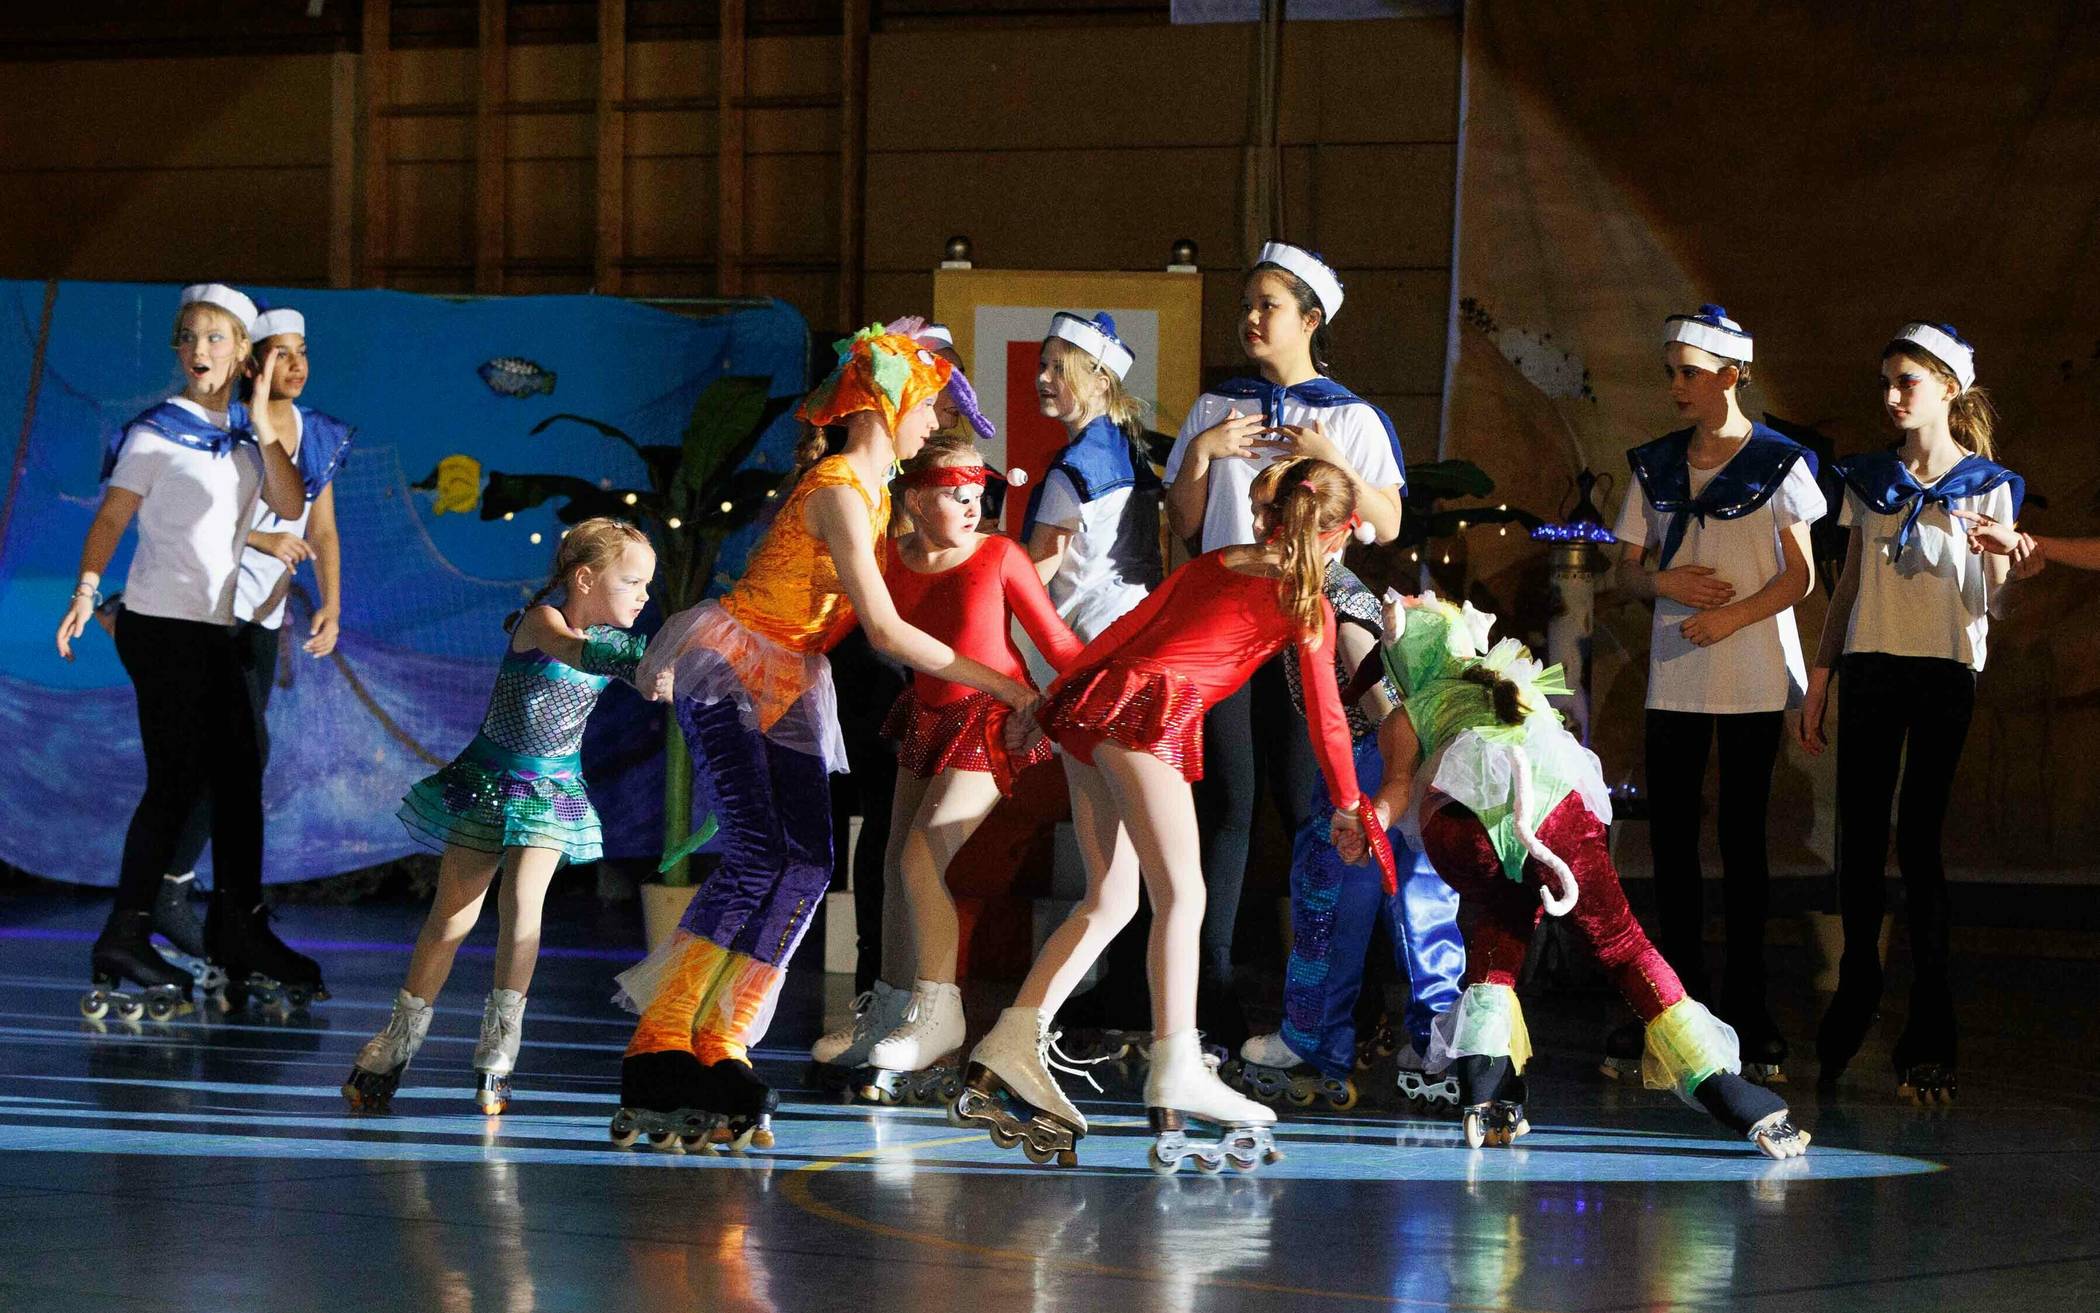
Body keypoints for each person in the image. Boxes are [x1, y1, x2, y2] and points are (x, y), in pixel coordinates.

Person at [610, 325, 1035, 1151]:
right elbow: (884, 628)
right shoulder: (840, 488)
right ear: (886, 404)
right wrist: (1007, 685)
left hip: (793, 677)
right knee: (758, 854)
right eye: (927, 407)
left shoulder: (876, 496)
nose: (932, 424)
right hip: (736, 665)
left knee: (806, 862)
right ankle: (661, 1042)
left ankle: (722, 1036)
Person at [951, 458, 1396, 1173]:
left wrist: (1053, 699)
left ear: (1272, 515)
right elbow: (1328, 721)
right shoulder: (1307, 601)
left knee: (1111, 898)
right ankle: (1176, 1063)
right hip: (1150, 713)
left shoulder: (1218, 561)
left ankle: (1008, 1043)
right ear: (1340, 532)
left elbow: (1127, 628)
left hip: (1093, 704)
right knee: (1183, 896)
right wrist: (1350, 803)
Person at [1353, 593, 1810, 1158]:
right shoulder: (1509, 680)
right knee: (1622, 946)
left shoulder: (1407, 714)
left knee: (1497, 937)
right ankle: (1730, 1093)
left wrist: (1367, 826)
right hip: (1552, 814)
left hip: (1463, 831)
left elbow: (1396, 789)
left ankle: (1486, 1093)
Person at [1162, 242, 1406, 1047]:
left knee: (1314, 808)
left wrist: (1332, 461)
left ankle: (1341, 1001)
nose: (1252, 318)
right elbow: (1186, 522)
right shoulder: (1215, 407)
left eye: (1269, 304)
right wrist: (1204, 453)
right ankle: (1212, 998)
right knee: (1226, 807)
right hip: (1226, 633)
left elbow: (1387, 523)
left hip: (1308, 623)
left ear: (1310, 319)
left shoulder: (1350, 417)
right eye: (1248, 304)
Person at [57, 283, 314, 1021]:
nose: (200, 349)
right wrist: (85, 592)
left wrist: (261, 416)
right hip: (160, 627)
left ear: (241, 355)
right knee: (176, 782)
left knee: (218, 776)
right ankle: (131, 930)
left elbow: (289, 504)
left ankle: (180, 924)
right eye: (190, 337)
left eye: (216, 338)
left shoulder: (245, 435)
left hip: (213, 631)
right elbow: (113, 517)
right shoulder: (156, 432)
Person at [345, 518, 661, 1114]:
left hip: (551, 791)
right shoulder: (542, 621)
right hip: (490, 783)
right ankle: (396, 1043)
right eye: (633, 581)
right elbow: (576, 651)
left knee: (523, 909)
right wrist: (641, 664)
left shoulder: (611, 638)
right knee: (452, 919)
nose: (645, 595)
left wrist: (665, 672)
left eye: (647, 584)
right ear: (585, 579)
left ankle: (499, 1051)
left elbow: (642, 670)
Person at [1799, 322, 2021, 1104]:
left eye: (1908, 382)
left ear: (1949, 390)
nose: (1893, 396)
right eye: (1887, 382)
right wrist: (1821, 677)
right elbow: (1849, 587)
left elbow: (1992, 603)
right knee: (1858, 841)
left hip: (1944, 671)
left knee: (1919, 841)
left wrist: (2003, 555)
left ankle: (1930, 1028)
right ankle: (1856, 991)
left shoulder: (1988, 483)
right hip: (1870, 666)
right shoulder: (1870, 479)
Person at [1611, 305, 1823, 1082]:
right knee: (1671, 843)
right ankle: (1676, 1009)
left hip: (1750, 672)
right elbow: (1626, 570)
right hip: (1676, 672)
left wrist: (1732, 615)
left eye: (1690, 372)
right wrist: (1662, 582)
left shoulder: (1778, 463)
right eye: (1671, 372)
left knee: (1742, 841)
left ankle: (1749, 1010)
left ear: (1731, 375)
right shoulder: (1656, 464)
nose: (1676, 385)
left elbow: (1800, 576)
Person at [837, 437, 1083, 1103]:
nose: (973, 505)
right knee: (895, 863)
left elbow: (1058, 641)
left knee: (922, 856)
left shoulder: (1000, 555)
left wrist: (1106, 690)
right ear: (916, 500)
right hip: (926, 715)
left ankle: (939, 1010)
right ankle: (892, 1011)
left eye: (978, 493)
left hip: (994, 715)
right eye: (955, 493)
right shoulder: (889, 558)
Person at [1233, 501, 1464, 1112]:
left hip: (1371, 763)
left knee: (1342, 895)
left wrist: (1387, 788)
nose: (1259, 529)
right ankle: (1429, 1042)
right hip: (1366, 760)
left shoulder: (1339, 596)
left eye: (1273, 518)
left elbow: (1386, 710)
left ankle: (1321, 1040)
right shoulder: (1315, 590)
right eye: (1258, 514)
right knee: (1394, 900)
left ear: (1325, 532)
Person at [150, 305, 354, 995]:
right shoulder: (224, 425)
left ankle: (213, 907)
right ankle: (176, 894)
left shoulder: (316, 433)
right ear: (250, 362)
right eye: (279, 353)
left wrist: (330, 602)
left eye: (302, 352)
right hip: (207, 611)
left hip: (262, 618)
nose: (294, 365)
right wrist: (262, 538)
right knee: (235, 753)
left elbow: (322, 528)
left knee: (240, 759)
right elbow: (186, 518)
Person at [1013, 311, 1165, 1043]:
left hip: (1095, 672)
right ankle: (1031, 1027)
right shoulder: (1128, 452)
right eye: (1042, 364)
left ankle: (1024, 1027)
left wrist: (1007, 673)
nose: (1042, 378)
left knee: (1125, 888)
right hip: (1127, 664)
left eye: (1058, 366)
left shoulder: (1077, 466)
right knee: (1127, 890)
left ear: (1099, 378)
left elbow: (1031, 576)